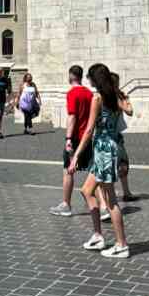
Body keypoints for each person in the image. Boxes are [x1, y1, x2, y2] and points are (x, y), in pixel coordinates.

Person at [70, 63, 131, 258]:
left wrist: (76, 155)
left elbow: (89, 130)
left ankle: (122, 244)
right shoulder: (115, 96)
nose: (88, 80)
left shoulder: (97, 98)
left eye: (90, 77)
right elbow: (130, 111)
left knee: (111, 200)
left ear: (95, 79)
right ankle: (98, 235)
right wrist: (122, 97)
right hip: (108, 147)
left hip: (104, 149)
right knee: (87, 190)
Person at [50, 65, 93, 216]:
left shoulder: (72, 93)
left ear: (70, 76)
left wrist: (68, 138)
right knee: (94, 172)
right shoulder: (89, 93)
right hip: (87, 138)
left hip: (75, 138)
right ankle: (102, 207)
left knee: (68, 171)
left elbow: (72, 116)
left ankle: (66, 204)